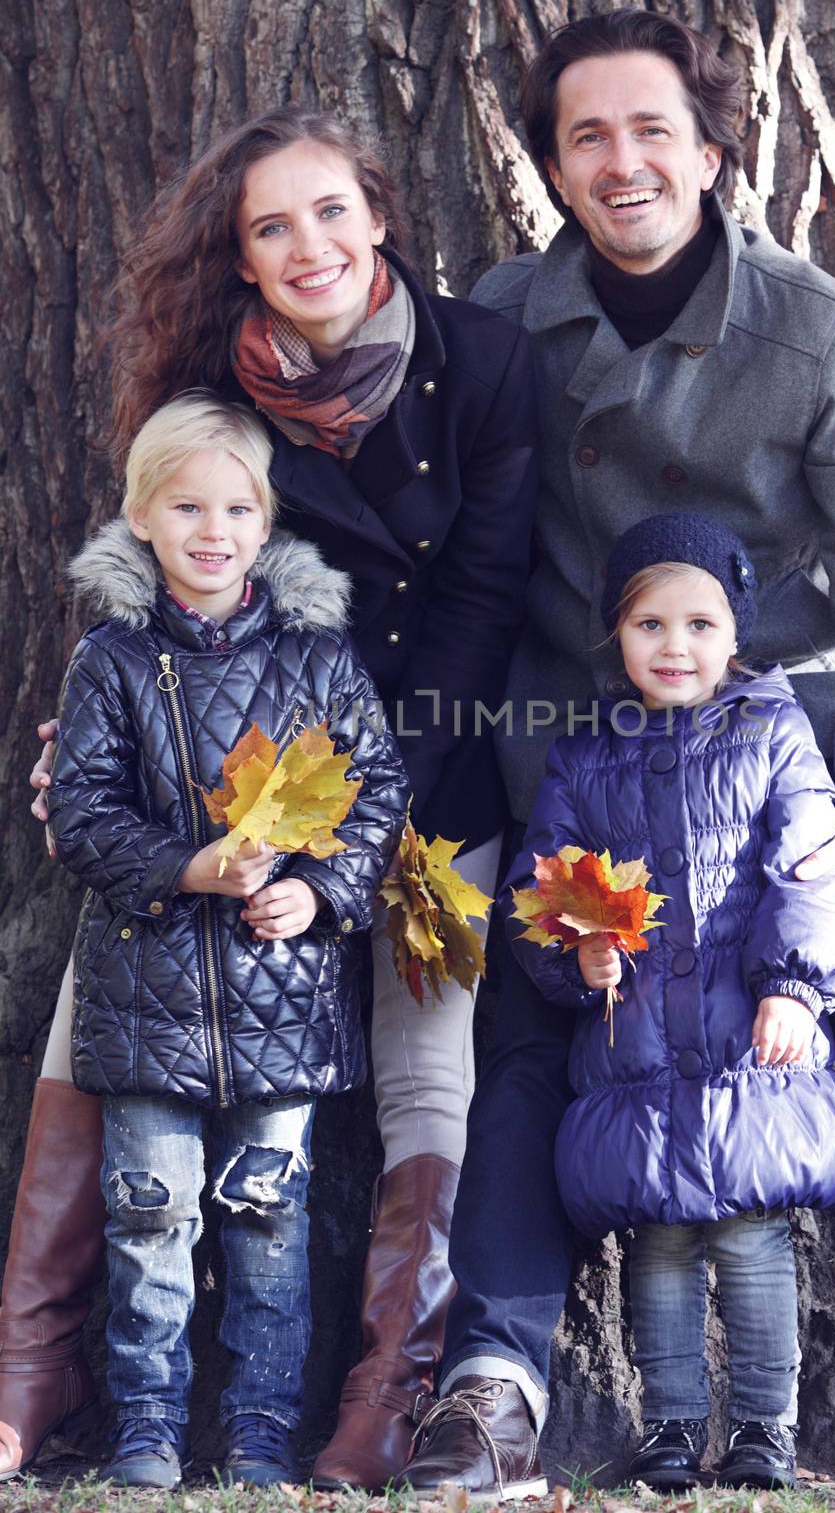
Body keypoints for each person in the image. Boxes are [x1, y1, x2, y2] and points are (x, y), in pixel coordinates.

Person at [404, 9, 835, 1494]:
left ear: (711, 145)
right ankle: (491, 1387)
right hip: (576, 753)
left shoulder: (813, 332)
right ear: (549, 165)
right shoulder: (492, 319)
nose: (621, 163)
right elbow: (409, 542)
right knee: (531, 1032)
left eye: (650, 128)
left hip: (776, 755)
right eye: (584, 136)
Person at [2, 108, 536, 1489]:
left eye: (328, 211)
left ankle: (387, 1394)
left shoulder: (479, 360)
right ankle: (32, 1363)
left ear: (379, 214)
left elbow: (480, 592)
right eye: (268, 227)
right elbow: (163, 563)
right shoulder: (213, 387)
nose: (307, 246)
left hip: (417, 769)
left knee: (432, 1068)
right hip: (209, 784)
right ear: (237, 260)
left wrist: (358, 810)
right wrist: (113, 738)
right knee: (102, 1013)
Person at [47, 392, 408, 1486]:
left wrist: (325, 891)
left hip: (280, 997)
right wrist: (187, 868)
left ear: (266, 523)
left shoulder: (315, 659)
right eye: (186, 505)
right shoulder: (112, 659)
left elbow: (375, 790)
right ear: (143, 519)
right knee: (148, 1217)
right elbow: (82, 810)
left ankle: (259, 1426)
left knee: (268, 1217)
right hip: (146, 991)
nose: (212, 529)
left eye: (236, 508)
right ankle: (147, 1422)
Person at [504, 514, 835, 1491]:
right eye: (649, 624)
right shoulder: (584, 757)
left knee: (749, 1243)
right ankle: (667, 1427)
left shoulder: (771, 730)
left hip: (749, 1041)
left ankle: (761, 1431)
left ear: (733, 635)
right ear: (616, 635)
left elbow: (805, 868)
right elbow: (543, 886)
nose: (674, 645)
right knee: (656, 1250)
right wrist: (574, 958)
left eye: (699, 624)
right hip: (637, 1060)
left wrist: (792, 984)